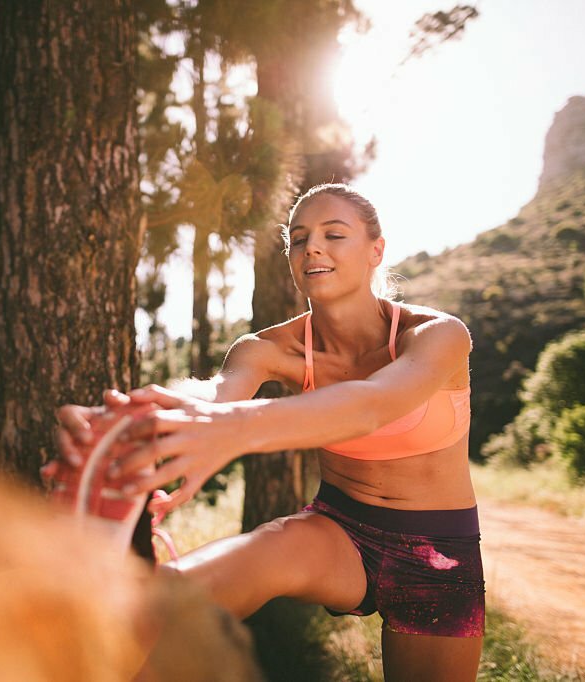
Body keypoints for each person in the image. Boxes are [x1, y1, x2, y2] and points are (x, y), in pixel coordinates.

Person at [54, 183, 485, 681]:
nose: (312, 248)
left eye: (333, 234)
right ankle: (99, 618)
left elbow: (372, 405)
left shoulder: (437, 335)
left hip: (442, 553)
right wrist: (133, 418)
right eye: (298, 239)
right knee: (261, 551)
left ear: (376, 250)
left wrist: (233, 431)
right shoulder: (268, 347)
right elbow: (216, 393)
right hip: (340, 530)